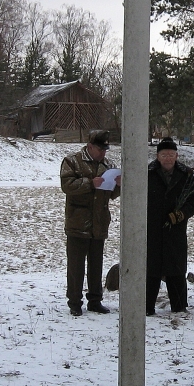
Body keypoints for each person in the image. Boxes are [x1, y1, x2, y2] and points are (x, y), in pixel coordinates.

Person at [60, 130, 121, 316]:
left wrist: (118, 185)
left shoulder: (108, 165)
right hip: (78, 221)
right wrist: (89, 183)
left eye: (105, 150)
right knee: (76, 265)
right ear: (90, 147)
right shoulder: (72, 161)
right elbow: (67, 186)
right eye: (100, 149)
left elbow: (110, 195)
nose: (103, 153)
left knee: (96, 264)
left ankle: (95, 300)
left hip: (99, 222)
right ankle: (75, 302)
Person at [146, 137, 194, 314]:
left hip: (175, 227)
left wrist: (180, 214)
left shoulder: (185, 174)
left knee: (176, 267)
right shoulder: (148, 172)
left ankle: (179, 305)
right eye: (164, 155)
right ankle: (147, 306)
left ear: (176, 155)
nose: (168, 158)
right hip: (152, 227)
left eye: (171, 155)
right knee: (151, 267)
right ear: (158, 156)